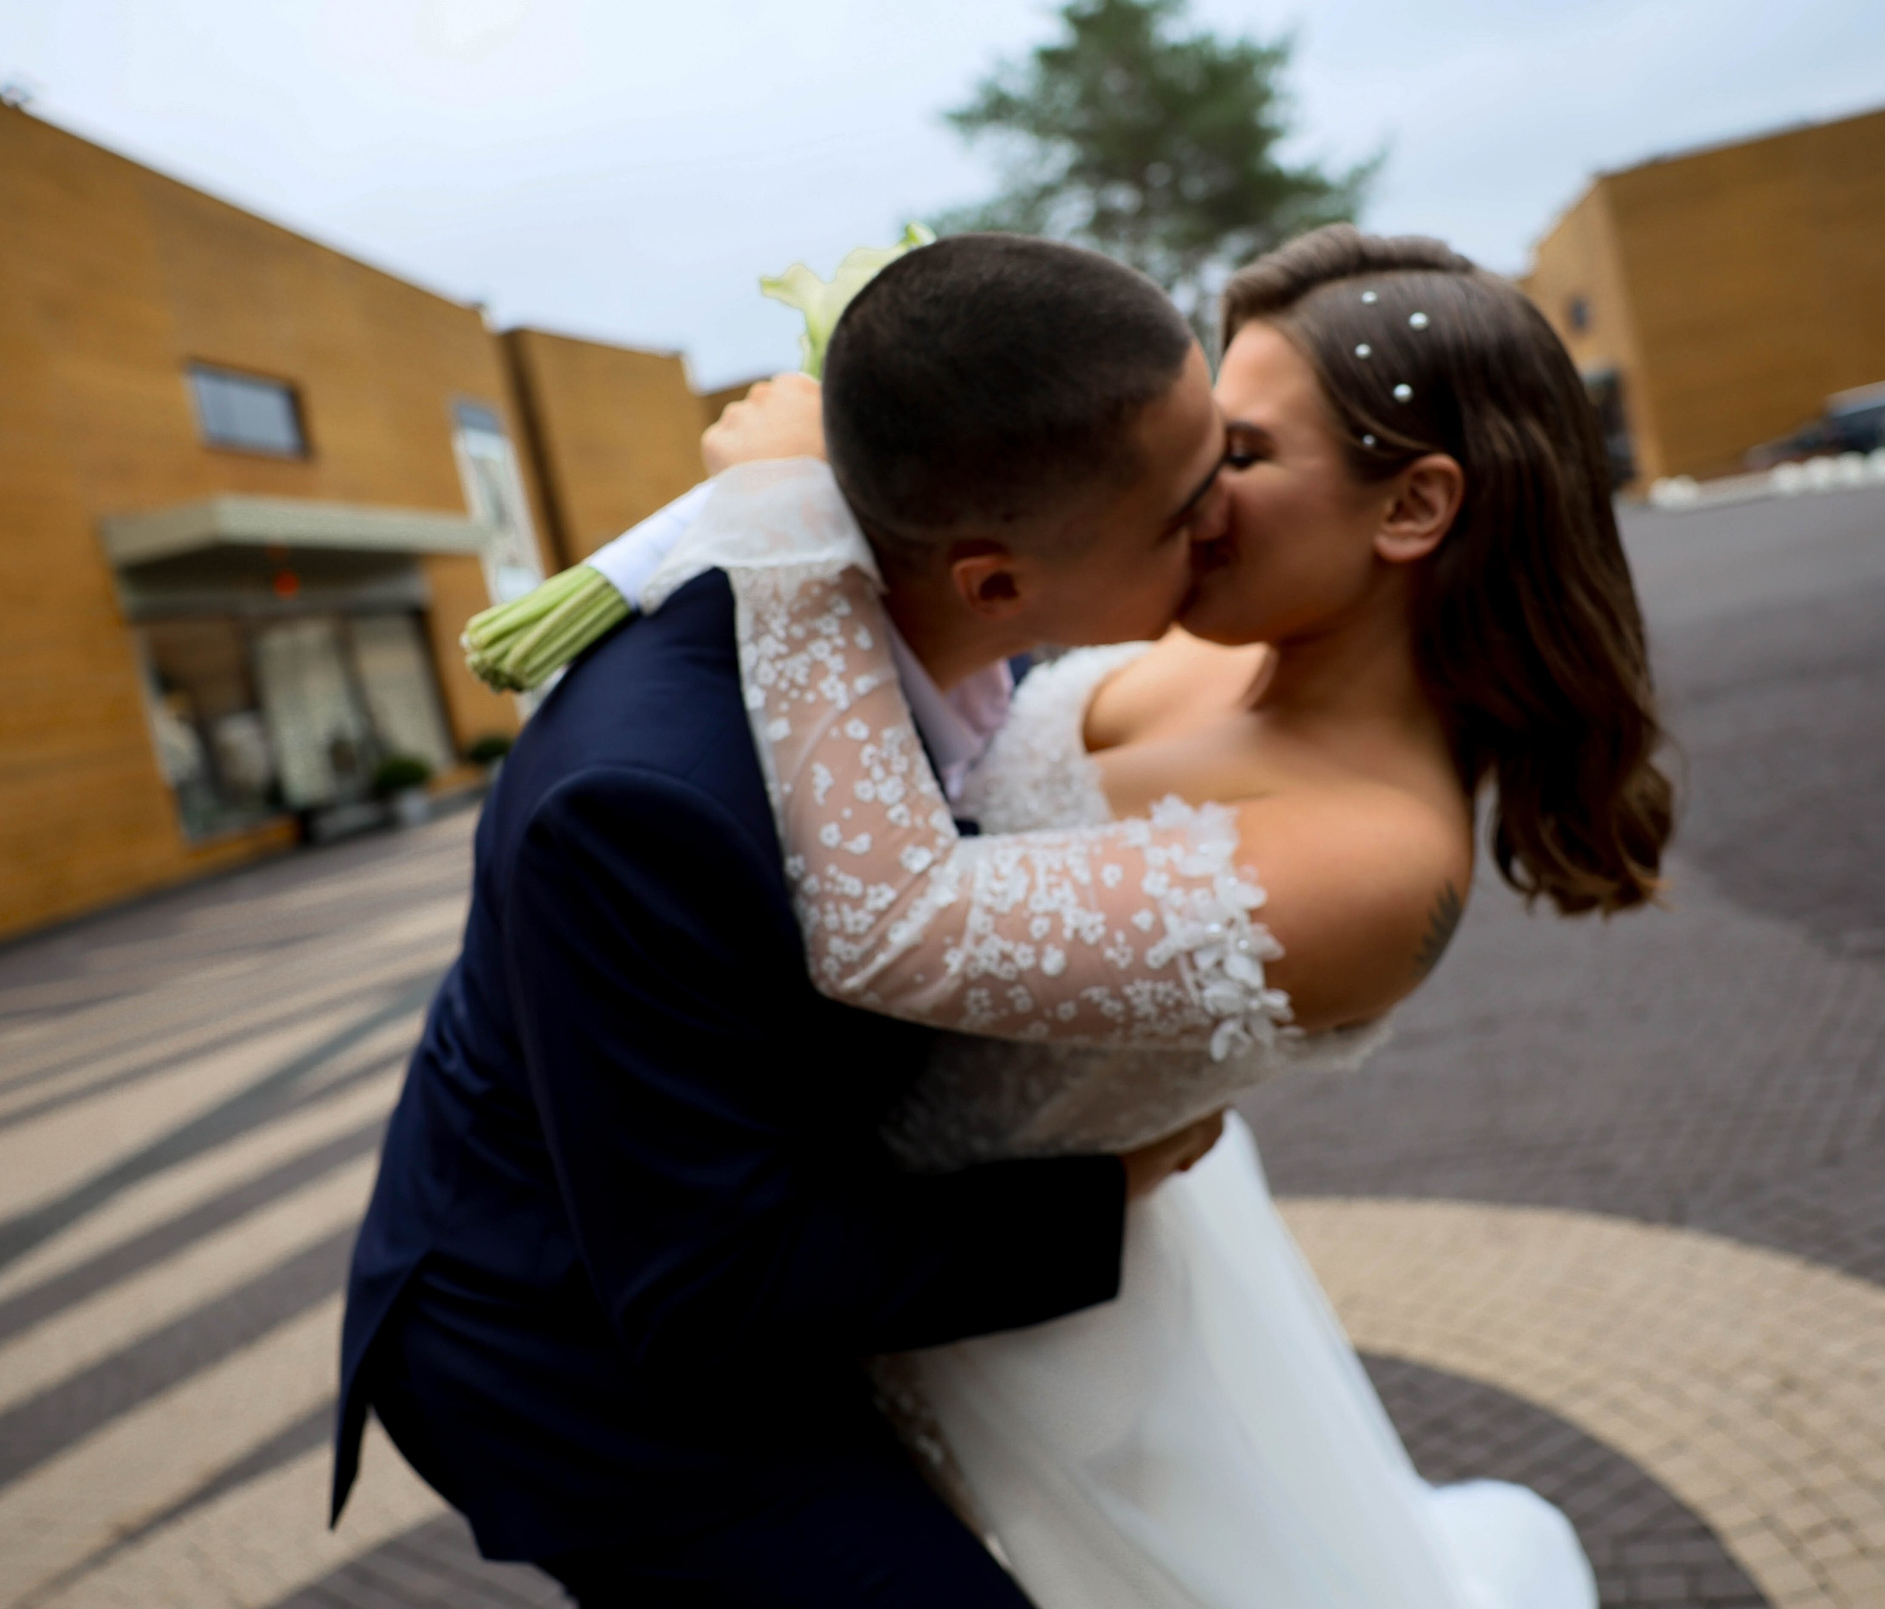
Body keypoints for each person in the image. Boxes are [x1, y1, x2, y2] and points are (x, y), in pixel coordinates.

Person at [630, 224, 1670, 1608]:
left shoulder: (1376, 859)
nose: (1192, 495)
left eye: (1238, 455)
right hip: (858, 1271)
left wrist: (787, 530)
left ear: (1411, 509)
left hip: (1038, 1351)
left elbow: (896, 922)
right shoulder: (1201, 635)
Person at [334, 234, 1244, 1606]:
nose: (1228, 514)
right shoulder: (645, 802)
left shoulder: (963, 605)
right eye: (1190, 508)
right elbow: (712, 1278)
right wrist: (1104, 1191)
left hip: (793, 1228)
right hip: (583, 1347)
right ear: (993, 582)